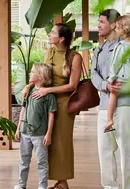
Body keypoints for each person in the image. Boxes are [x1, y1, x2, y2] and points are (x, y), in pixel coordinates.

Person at [91, 9, 130, 189]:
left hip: (126, 105)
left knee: (128, 151)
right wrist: (105, 85)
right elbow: (93, 74)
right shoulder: (98, 50)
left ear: (113, 24)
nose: (98, 25)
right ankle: (110, 187)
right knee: (104, 150)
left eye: (101, 22)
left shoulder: (129, 45)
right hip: (105, 105)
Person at [32, 23, 82, 189]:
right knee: (50, 142)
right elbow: (42, 76)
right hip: (47, 103)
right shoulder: (49, 52)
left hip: (65, 104)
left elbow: (73, 86)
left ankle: (63, 182)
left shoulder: (75, 57)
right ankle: (58, 180)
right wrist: (29, 87)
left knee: (62, 142)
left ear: (61, 38)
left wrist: (48, 90)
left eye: (52, 32)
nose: (49, 34)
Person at [14, 62, 57, 189]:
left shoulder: (49, 96)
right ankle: (21, 185)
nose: (29, 73)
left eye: (32, 72)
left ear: (41, 76)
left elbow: (51, 115)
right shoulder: (28, 91)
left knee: (42, 162)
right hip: (25, 132)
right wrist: (18, 128)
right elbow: (23, 110)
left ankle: (42, 186)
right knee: (24, 160)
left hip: (40, 135)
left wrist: (49, 133)